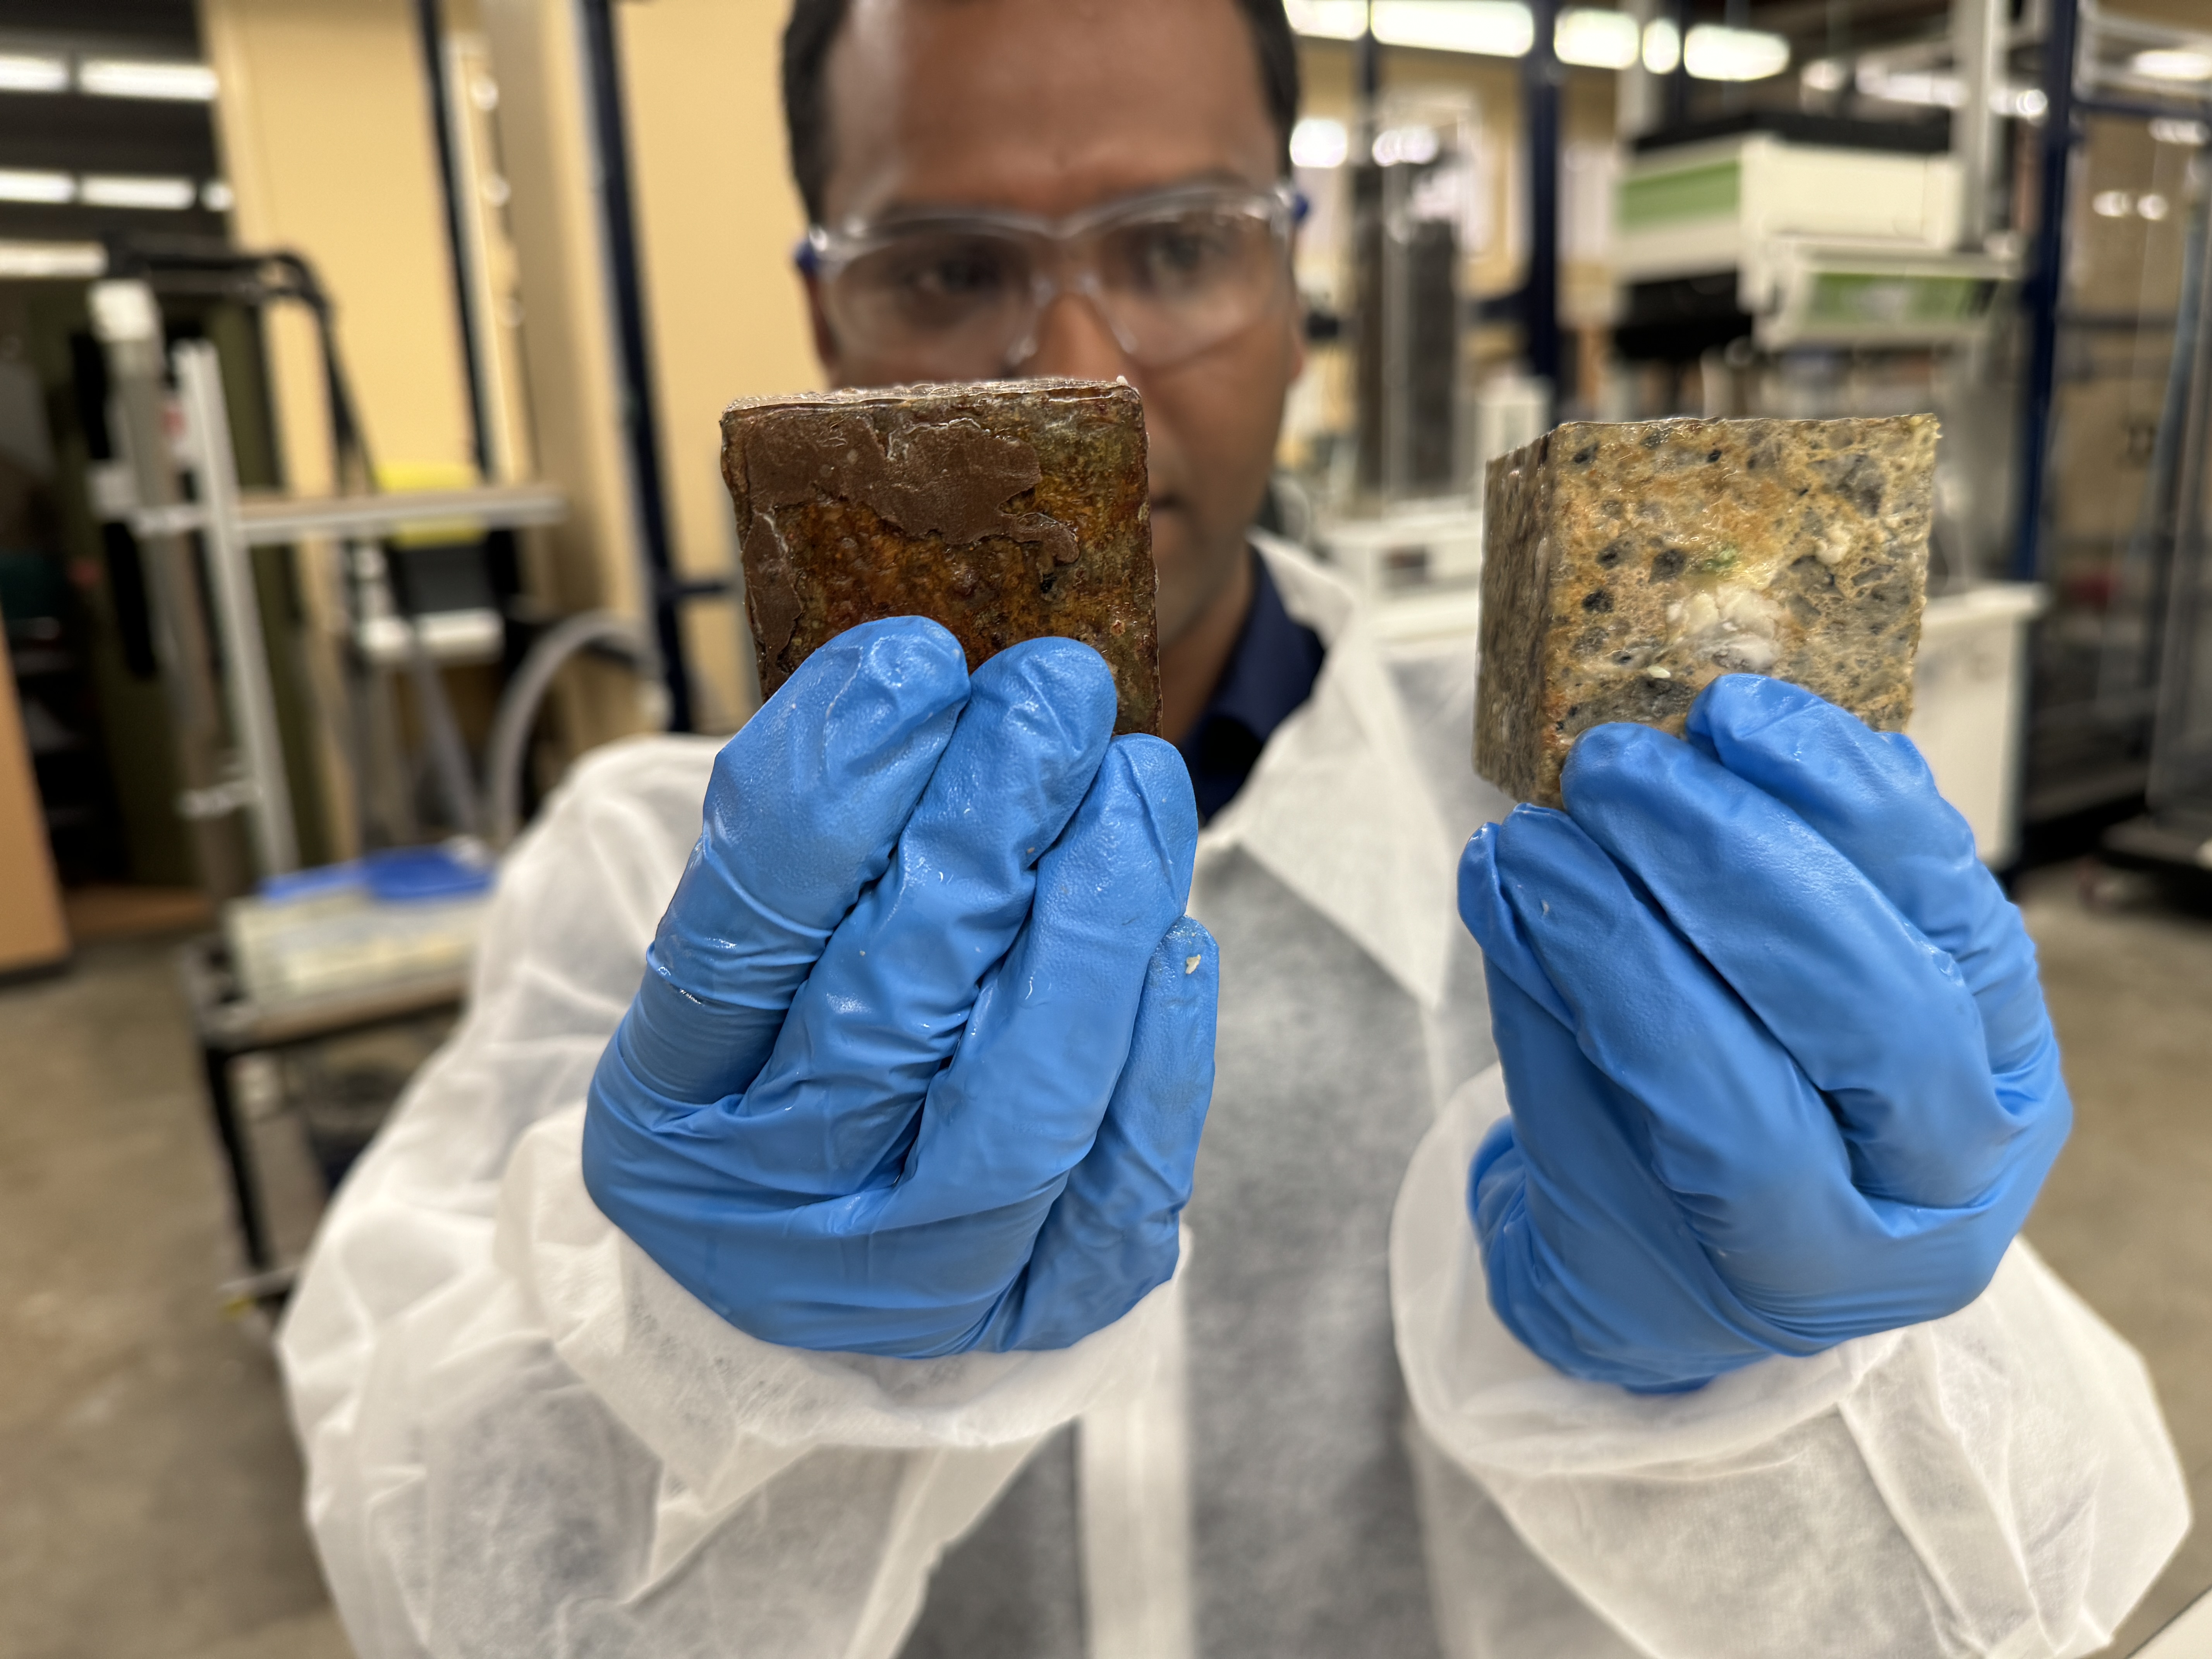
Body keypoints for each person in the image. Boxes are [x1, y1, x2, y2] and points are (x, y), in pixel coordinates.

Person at [279, 1, 2188, 1655]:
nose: (1074, 367)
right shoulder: (642, 882)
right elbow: (429, 1560)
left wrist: (1774, 1363)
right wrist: (696, 1351)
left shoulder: (1570, 838)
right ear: (826, 319)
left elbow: (2014, 1574)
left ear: (1293, 290)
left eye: (1179, 244)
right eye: (947, 265)